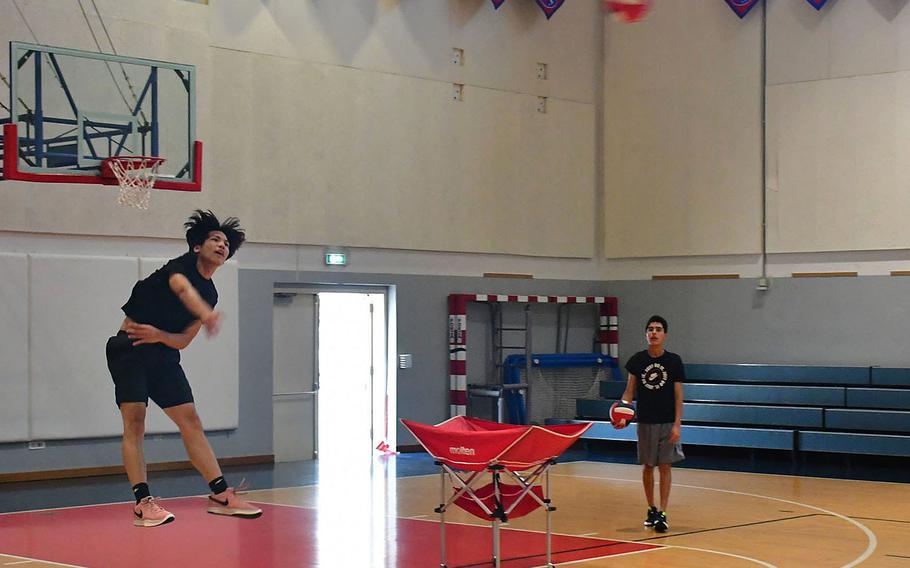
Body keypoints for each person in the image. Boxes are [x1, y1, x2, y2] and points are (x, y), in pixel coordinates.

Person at [105, 210, 262, 527]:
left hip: (162, 354)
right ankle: (142, 502)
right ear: (196, 247)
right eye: (215, 239)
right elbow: (181, 289)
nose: (222, 245)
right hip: (130, 349)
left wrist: (161, 335)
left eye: (226, 243)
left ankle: (220, 495)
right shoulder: (180, 268)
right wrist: (206, 314)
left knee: (191, 420)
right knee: (135, 423)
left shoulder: (211, 293)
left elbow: (183, 341)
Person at [619, 315, 684, 534]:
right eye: (650, 329)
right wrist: (622, 413)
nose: (654, 332)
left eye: (658, 329)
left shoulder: (674, 361)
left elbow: (678, 395)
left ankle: (663, 512)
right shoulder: (637, 360)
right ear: (646, 334)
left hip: (666, 421)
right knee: (648, 466)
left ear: (664, 334)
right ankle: (652, 508)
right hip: (645, 421)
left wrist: (677, 424)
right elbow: (629, 392)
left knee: (665, 466)